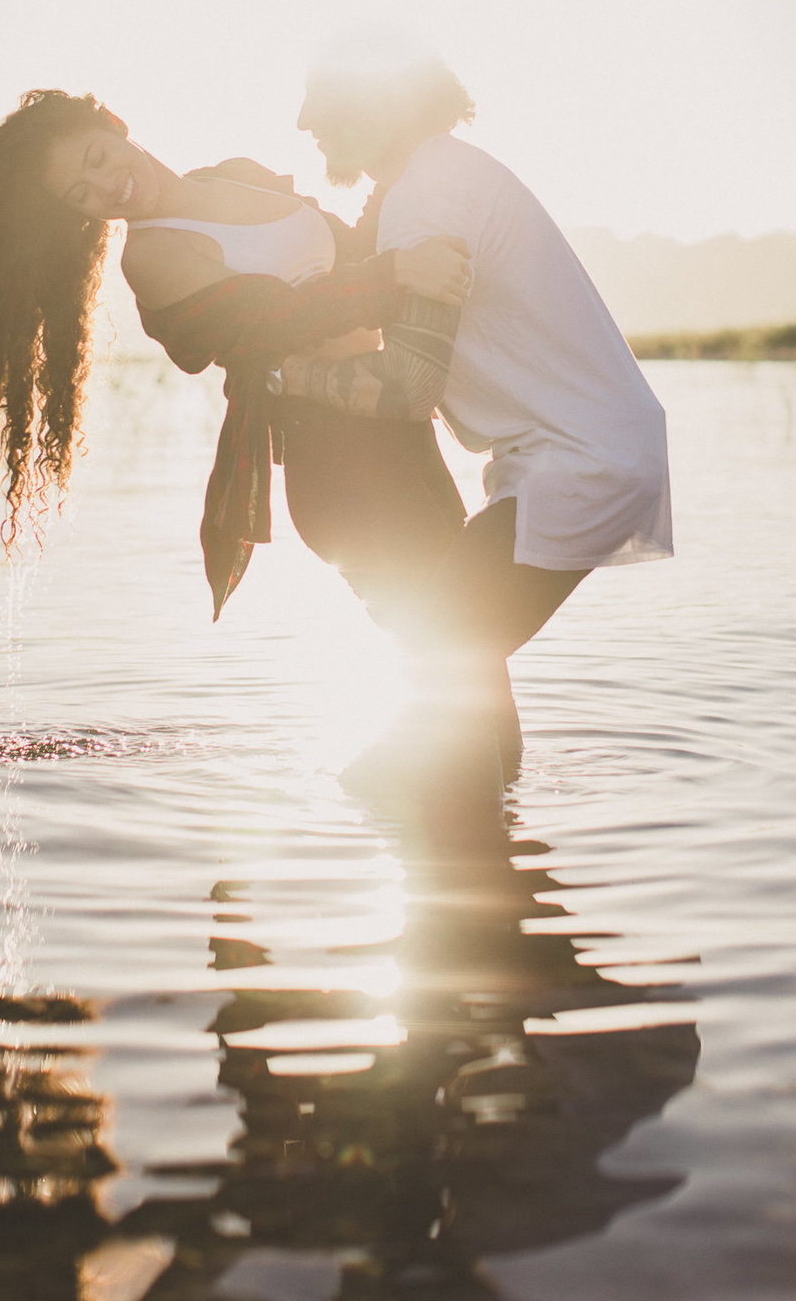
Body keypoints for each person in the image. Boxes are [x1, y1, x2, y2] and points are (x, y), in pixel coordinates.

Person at [0, 89, 471, 622]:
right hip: (338, 465)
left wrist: (405, 175)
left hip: (400, 424)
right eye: (82, 194)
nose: (107, 185)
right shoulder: (154, 256)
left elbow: (350, 249)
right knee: (456, 658)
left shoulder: (237, 176)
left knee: (475, 654)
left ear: (115, 123)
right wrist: (393, 276)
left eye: (97, 158)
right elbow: (278, 315)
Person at [279, 42, 673, 772]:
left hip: (576, 466)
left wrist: (286, 379)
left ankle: (442, 833)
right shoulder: (437, 178)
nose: (304, 120)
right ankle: (497, 835)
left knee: (434, 667)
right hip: (578, 457)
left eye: (322, 99)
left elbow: (409, 385)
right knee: (464, 680)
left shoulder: (427, 199)